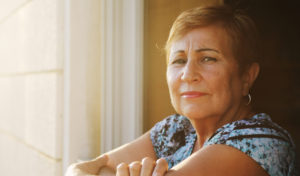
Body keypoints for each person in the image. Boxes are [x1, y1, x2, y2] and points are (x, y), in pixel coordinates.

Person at [66, 5, 297, 176]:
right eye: (178, 61)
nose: (188, 74)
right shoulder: (174, 130)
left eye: (208, 58)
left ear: (247, 76)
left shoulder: (263, 142)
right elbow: (86, 169)